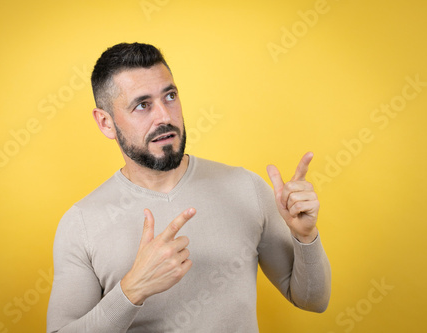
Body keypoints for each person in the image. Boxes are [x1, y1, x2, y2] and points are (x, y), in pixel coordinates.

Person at [46, 42, 331, 333]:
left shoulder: (246, 188)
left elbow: (313, 300)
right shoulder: (81, 223)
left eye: (169, 96)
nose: (164, 117)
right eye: (142, 105)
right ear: (106, 123)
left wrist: (305, 236)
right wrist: (131, 291)